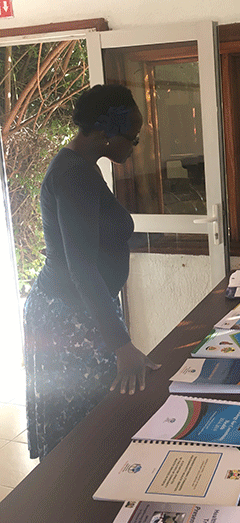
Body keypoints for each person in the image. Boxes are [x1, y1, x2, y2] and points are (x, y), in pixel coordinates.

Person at [23, 84, 161, 460]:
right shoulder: (75, 175)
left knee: (99, 426)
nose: (135, 143)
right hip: (69, 319)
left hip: (78, 312)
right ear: (104, 131)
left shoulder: (81, 169)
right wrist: (122, 345)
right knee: (86, 436)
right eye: (132, 134)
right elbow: (81, 266)